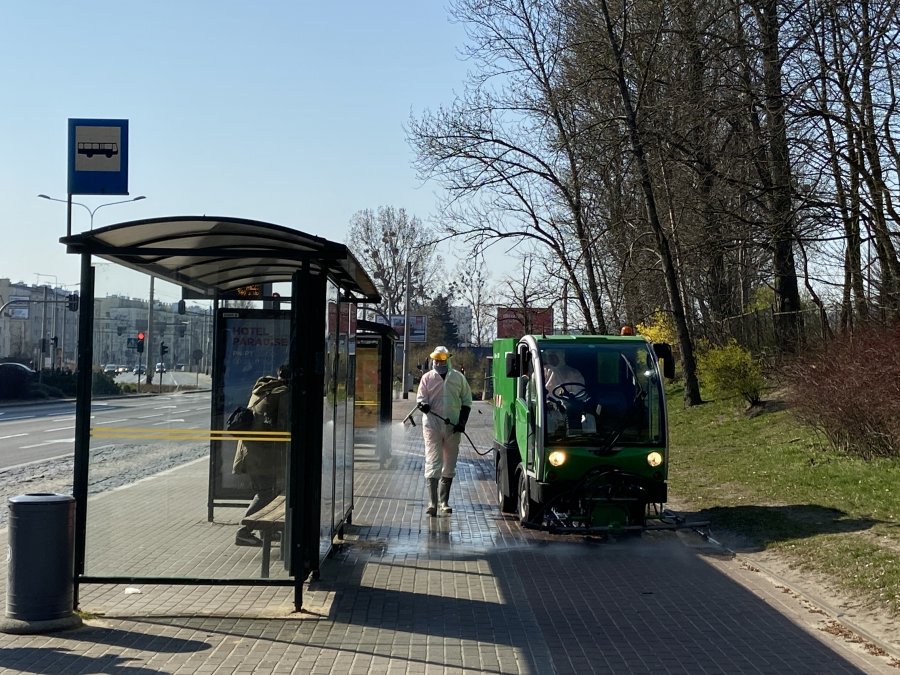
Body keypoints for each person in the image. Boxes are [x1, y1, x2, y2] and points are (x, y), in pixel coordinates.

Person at [232, 364, 291, 546]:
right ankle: (244, 530)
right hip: (260, 455)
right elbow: (283, 427)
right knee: (267, 492)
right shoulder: (282, 393)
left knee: (269, 491)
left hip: (250, 451)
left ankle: (267, 531)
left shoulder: (264, 389)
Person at [416, 345, 472, 516]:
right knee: (433, 461)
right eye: (436, 360)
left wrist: (462, 422)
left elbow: (467, 402)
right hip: (432, 426)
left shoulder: (458, 378)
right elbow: (420, 399)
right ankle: (432, 503)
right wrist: (423, 406)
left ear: (448, 359)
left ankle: (444, 502)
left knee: (450, 463)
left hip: (453, 428)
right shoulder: (427, 378)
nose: (438, 362)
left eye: (441, 360)